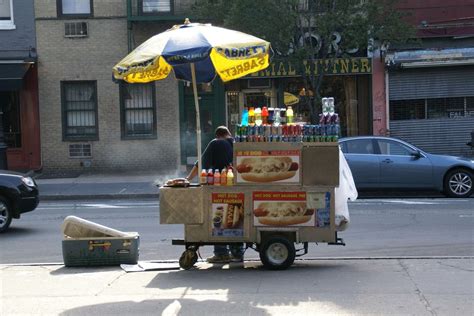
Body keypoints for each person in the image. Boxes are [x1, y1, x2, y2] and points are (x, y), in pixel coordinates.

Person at [186, 126, 244, 263]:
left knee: (220, 216)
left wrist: (187, 179)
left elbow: (200, 164)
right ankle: (237, 253)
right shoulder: (237, 142)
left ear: (218, 135)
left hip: (220, 187)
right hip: (238, 186)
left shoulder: (216, 143)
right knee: (236, 217)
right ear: (228, 133)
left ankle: (221, 253)